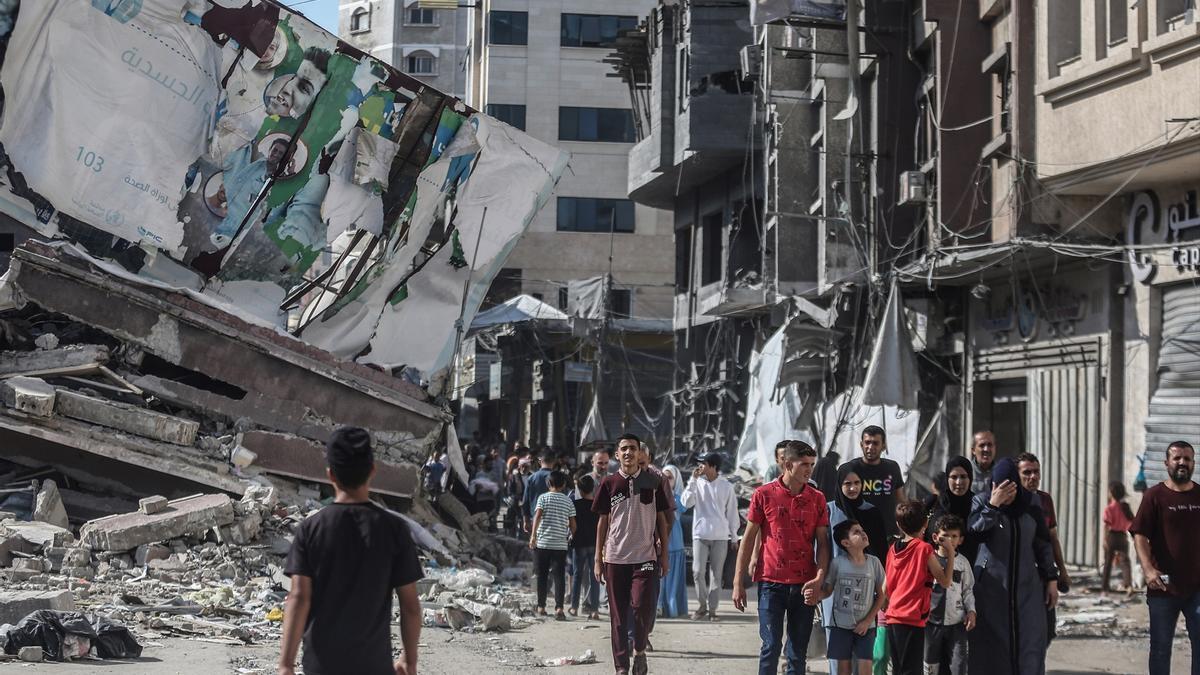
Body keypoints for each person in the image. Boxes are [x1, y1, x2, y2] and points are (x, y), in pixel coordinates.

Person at [278, 427, 422, 675]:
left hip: (322, 666)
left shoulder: (310, 529)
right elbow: (410, 606)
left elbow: (299, 598)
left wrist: (286, 664)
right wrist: (409, 660)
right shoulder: (395, 529)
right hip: (374, 666)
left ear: (330, 474)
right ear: (373, 471)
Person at [733, 440, 830, 675]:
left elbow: (823, 544)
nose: (809, 469)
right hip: (771, 583)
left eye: (812, 464)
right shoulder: (763, 495)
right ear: (787, 464)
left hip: (804, 585)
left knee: (798, 652)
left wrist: (819, 578)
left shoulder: (817, 499)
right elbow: (747, 539)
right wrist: (738, 582)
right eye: (804, 464)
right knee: (771, 646)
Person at [967, 458, 1058, 675]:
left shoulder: (1031, 504)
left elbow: (1043, 543)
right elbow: (974, 533)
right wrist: (993, 506)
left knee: (1031, 645)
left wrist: (1052, 578)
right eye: (1000, 487)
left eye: (1010, 488)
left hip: (1027, 589)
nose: (1006, 493)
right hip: (992, 590)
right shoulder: (981, 502)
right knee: (993, 650)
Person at [593, 433, 673, 675]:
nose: (628, 453)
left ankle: (639, 649)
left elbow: (662, 519)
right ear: (617, 455)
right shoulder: (609, 483)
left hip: (645, 558)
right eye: (624, 449)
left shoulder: (653, 481)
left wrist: (665, 555)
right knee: (617, 617)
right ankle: (621, 668)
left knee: (641, 607)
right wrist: (598, 559)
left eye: (633, 449)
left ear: (640, 454)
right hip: (615, 558)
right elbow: (602, 523)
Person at [1131, 440, 1200, 675]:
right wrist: (1148, 570)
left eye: (1187, 458)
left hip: (1197, 588)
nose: (1182, 462)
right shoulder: (1155, 496)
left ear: (1193, 463)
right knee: (1160, 649)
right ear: (1167, 463)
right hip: (1163, 588)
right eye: (1177, 458)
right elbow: (1139, 534)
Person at [824, 463, 889, 675]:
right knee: (838, 657)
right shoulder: (828, 510)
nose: (852, 488)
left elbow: (881, 551)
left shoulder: (871, 512)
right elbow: (821, 548)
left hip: (865, 591)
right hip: (834, 591)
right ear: (839, 484)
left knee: (862, 656)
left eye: (857, 483)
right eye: (847, 484)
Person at [883, 501, 955, 675]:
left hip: (892, 617)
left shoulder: (892, 549)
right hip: (912, 618)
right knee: (911, 670)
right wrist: (951, 552)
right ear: (925, 523)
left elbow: (885, 589)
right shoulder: (924, 549)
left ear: (899, 524)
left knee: (898, 670)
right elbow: (945, 581)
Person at [817, 520, 886, 675]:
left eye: (862, 530)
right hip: (840, 627)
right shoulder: (837, 563)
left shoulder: (874, 562)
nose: (863, 533)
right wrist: (816, 595)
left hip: (866, 628)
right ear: (845, 542)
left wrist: (868, 621)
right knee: (843, 670)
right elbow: (827, 590)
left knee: (866, 669)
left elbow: (882, 595)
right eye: (856, 532)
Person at [680, 452, 740, 621]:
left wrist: (734, 537)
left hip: (721, 536)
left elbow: (732, 513)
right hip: (700, 534)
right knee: (697, 571)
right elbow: (685, 503)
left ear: (713, 466)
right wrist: (691, 481)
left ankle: (712, 610)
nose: (699, 466)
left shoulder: (726, 486)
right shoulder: (697, 483)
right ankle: (701, 606)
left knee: (716, 575)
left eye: (703, 463)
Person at [923, 514, 976, 675]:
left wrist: (972, 612)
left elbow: (968, 590)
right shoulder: (928, 560)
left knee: (959, 666)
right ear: (935, 537)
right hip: (930, 624)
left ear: (960, 540)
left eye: (954, 536)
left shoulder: (963, 563)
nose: (949, 540)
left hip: (957, 625)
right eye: (945, 535)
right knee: (930, 668)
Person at [1016, 453, 1071, 592]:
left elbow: (1052, 538)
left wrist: (1062, 570)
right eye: (1027, 472)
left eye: (1036, 472)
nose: (1033, 476)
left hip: (1044, 569)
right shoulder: (1011, 502)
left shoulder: (1045, 500)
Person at [529, 470, 576, 620]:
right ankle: (559, 608)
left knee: (541, 576)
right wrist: (570, 536)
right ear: (563, 485)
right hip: (560, 546)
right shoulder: (568, 501)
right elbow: (573, 525)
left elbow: (537, 517)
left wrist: (533, 536)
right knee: (559, 577)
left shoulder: (542, 498)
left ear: (548, 483)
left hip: (542, 544)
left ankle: (541, 606)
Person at [845, 425, 906, 538]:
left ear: (883, 446)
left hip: (888, 534)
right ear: (861, 444)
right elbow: (844, 503)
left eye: (875, 443)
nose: (870, 447)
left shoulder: (892, 467)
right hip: (860, 535)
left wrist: (904, 528)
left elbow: (900, 501)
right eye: (867, 442)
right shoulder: (851, 468)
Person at [924, 456, 978, 564]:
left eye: (963, 477)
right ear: (947, 479)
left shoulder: (976, 505)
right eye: (954, 477)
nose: (959, 482)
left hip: (966, 571)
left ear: (970, 478)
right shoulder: (934, 503)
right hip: (934, 569)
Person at [657, 466, 688, 618]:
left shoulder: (677, 498)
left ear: (676, 480)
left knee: (673, 581)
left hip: (675, 544)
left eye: (670, 478)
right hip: (660, 545)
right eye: (664, 477)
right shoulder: (656, 496)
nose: (667, 481)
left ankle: (672, 608)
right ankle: (658, 607)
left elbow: (681, 508)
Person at [570, 474, 601, 620]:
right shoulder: (598, 505)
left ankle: (574, 607)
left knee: (577, 575)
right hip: (594, 543)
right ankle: (594, 610)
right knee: (594, 576)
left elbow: (572, 525)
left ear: (579, 490)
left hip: (579, 543)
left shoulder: (575, 505)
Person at [1101, 481, 1134, 595]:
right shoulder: (1125, 508)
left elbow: (1106, 525)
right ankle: (1128, 585)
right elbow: (1131, 523)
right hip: (1123, 537)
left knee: (1108, 563)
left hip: (1112, 536)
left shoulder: (1109, 508)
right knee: (1125, 562)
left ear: (1111, 493)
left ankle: (1105, 589)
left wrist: (1104, 539)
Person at [524, 453, 555, 533]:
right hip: (553, 521)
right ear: (553, 462)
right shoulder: (557, 477)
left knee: (535, 543)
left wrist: (525, 521)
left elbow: (526, 501)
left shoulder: (531, 478)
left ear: (540, 462)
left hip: (534, 519)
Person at [968, 431, 997, 496]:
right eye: (982, 445)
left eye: (990, 445)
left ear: (995, 448)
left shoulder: (1001, 472)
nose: (986, 449)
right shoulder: (965, 472)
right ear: (973, 450)